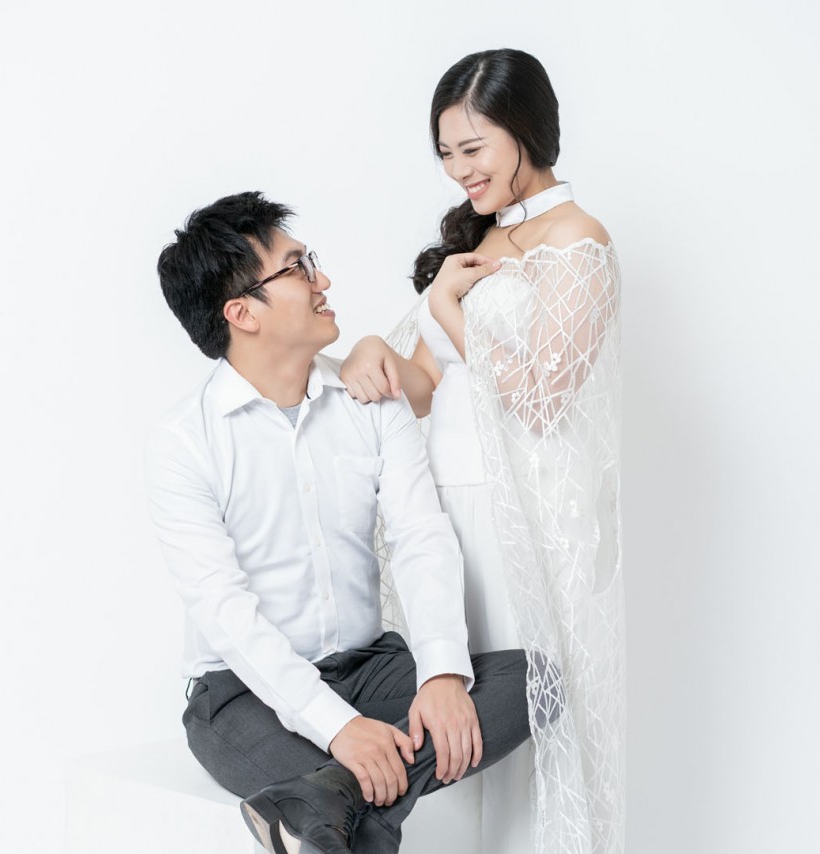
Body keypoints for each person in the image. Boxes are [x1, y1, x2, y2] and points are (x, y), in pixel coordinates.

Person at [147, 191, 534, 854]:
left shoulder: (369, 396)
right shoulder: (185, 442)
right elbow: (225, 612)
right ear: (242, 313)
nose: (322, 280)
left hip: (370, 668)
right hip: (241, 694)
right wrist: (339, 728)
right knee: (348, 823)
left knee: (534, 682)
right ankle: (337, 804)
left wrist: (441, 673)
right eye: (297, 268)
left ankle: (325, 798)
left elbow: (420, 537)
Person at [341, 49, 625, 854]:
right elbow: (424, 386)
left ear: (526, 130)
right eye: (446, 153)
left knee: (529, 719)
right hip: (446, 507)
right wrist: (370, 347)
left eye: (474, 148)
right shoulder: (486, 237)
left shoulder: (578, 239)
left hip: (525, 519)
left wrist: (446, 308)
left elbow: (542, 399)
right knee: (454, 712)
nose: (460, 170)